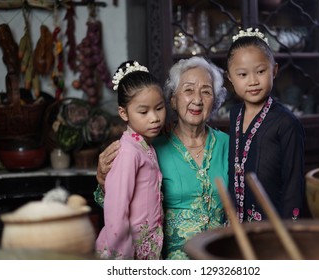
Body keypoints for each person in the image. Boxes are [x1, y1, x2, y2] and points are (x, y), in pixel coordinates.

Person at [94, 56, 229, 260]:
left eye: (206, 92)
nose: (198, 99)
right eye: (189, 90)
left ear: (216, 100)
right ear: (173, 99)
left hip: (221, 255)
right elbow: (119, 209)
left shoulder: (229, 144)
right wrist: (103, 179)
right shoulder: (150, 147)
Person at [226, 28, 305, 223]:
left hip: (272, 224)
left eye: (260, 72)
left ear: (274, 70)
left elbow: (294, 183)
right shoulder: (235, 114)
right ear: (230, 78)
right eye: (242, 74)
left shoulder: (286, 122)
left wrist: (289, 230)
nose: (253, 81)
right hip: (237, 222)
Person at [95, 61, 166, 260]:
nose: (154, 118)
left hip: (147, 247)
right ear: (123, 113)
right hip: (127, 252)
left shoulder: (145, 146)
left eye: (159, 108)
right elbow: (116, 212)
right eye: (143, 112)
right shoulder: (128, 152)